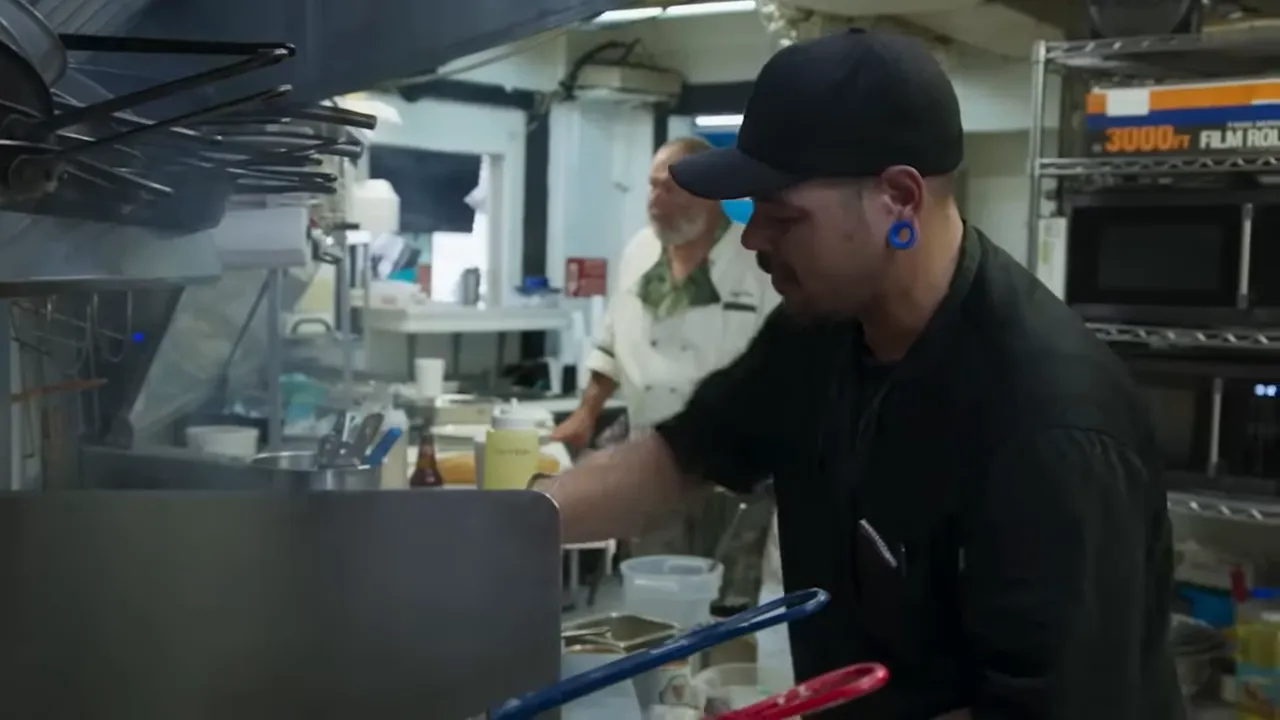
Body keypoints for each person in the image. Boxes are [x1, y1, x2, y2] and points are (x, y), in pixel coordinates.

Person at [533, 28, 1180, 719]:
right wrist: (510, 527)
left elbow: (1049, 708)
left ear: (898, 199)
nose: (751, 240)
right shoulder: (823, 329)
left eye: (782, 217)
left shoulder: (1046, 420)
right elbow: (684, 455)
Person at [551, 136, 780, 605]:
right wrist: (586, 412)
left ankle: (718, 677)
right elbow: (612, 342)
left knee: (730, 605)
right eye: (652, 188)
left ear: (710, 193)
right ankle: (667, 679)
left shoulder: (757, 260)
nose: (656, 202)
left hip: (731, 471)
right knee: (657, 599)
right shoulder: (639, 251)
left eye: (670, 189)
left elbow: (782, 361)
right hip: (653, 455)